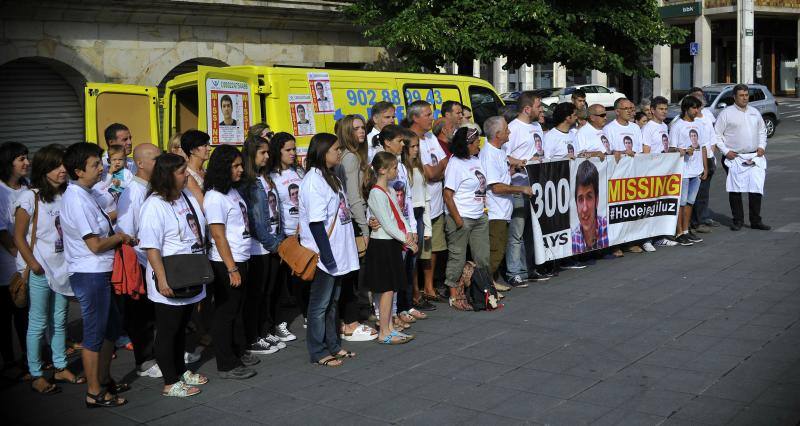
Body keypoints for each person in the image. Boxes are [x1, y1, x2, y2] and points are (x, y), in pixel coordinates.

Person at [61, 142, 134, 408]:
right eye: (95, 165)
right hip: (90, 273)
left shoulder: (88, 193)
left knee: (111, 328)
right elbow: (94, 244)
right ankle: (94, 391)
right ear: (79, 171)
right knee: (94, 333)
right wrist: (119, 237)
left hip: (103, 271)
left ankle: (104, 379)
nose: (101, 167)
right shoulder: (76, 198)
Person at [138, 153, 209, 398]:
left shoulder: (185, 196)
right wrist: (162, 279)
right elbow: (151, 246)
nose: (186, 175)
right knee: (168, 330)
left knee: (181, 328)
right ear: (167, 175)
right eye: (181, 172)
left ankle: (180, 370)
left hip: (190, 271)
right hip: (170, 275)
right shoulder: (154, 205)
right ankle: (170, 381)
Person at [13, 144, 83, 394]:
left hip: (64, 270)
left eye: (64, 165)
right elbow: (19, 236)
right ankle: (36, 373)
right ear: (44, 169)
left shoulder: (69, 194)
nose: (62, 170)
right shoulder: (29, 197)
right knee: (38, 323)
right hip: (40, 270)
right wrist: (33, 264)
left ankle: (61, 366)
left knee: (60, 321)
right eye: (56, 166)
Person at [299, 133, 360, 367]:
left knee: (333, 303)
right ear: (323, 152)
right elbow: (316, 223)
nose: (338, 153)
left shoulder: (330, 176)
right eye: (335, 149)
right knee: (319, 305)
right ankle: (318, 350)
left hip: (338, 251)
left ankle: (333, 345)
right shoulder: (313, 181)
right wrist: (327, 256)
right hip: (325, 254)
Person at [203, 145, 258, 379]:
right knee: (225, 313)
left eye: (239, 165)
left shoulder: (231, 191)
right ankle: (226, 363)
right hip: (227, 262)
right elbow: (218, 235)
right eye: (235, 166)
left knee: (236, 310)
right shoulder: (215, 197)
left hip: (242, 257)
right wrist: (231, 268)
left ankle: (237, 350)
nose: (239, 170)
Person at [115, 143, 161, 378]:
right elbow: (126, 232)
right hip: (142, 262)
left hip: (156, 261)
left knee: (158, 313)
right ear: (140, 163)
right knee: (141, 316)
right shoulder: (132, 193)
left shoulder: (153, 187)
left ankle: (161, 354)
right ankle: (144, 360)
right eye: (155, 159)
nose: (159, 162)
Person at [240, 135, 288, 356]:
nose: (267, 156)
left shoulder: (266, 178)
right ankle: (253, 335)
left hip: (274, 242)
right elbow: (256, 221)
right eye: (262, 153)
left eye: (268, 153)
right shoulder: (248, 184)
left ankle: (265, 328)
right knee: (256, 293)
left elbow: (274, 210)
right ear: (251, 154)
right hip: (259, 247)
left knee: (269, 291)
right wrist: (274, 244)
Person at [363, 151, 417, 344]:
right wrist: (407, 240)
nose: (396, 171)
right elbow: (387, 223)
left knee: (392, 289)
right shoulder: (376, 193)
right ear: (382, 170)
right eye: (394, 168)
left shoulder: (391, 190)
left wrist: (409, 232)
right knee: (385, 290)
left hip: (392, 243)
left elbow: (400, 216)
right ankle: (384, 331)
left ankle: (390, 327)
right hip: (382, 244)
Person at [374, 125, 424, 326]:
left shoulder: (401, 166)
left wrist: (411, 227)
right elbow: (375, 199)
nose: (403, 144)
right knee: (388, 277)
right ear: (387, 142)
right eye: (400, 141)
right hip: (388, 230)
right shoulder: (379, 166)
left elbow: (408, 200)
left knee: (402, 271)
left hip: (402, 226)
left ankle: (397, 311)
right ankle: (385, 317)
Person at [479, 116, 533, 292]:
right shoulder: (489, 154)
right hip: (495, 212)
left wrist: (511, 169)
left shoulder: (500, 151)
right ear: (498, 134)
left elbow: (500, 177)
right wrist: (521, 189)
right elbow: (496, 188)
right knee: (495, 253)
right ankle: (484, 288)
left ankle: (491, 282)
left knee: (498, 250)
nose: (509, 132)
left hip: (503, 210)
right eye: (507, 129)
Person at [335, 114, 376, 342]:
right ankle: (351, 317)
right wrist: (363, 227)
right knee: (355, 271)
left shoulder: (349, 155)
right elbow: (354, 197)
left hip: (350, 219)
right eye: (356, 129)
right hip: (353, 221)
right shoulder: (350, 158)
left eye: (362, 128)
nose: (362, 132)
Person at [503, 91, 550, 286]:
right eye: (539, 106)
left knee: (533, 230)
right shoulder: (513, 129)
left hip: (537, 186)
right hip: (519, 187)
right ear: (527, 108)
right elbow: (503, 156)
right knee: (517, 232)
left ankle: (531, 267)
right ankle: (515, 271)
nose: (542, 110)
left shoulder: (537, 126)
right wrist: (522, 162)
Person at [442, 127, 489, 310]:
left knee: (483, 257)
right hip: (461, 217)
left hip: (479, 216)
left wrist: (484, 210)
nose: (479, 143)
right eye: (476, 141)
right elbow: (447, 195)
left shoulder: (475, 160)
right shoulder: (455, 164)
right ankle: (454, 295)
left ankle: (484, 288)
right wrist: (458, 220)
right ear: (467, 144)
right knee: (457, 257)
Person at [714, 84, 769, 231]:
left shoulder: (755, 112)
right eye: (741, 95)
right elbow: (717, 135)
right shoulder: (726, 113)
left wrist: (762, 146)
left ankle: (756, 221)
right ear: (734, 97)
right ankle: (737, 220)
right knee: (735, 190)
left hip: (754, 156)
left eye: (746, 95)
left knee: (756, 189)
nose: (745, 98)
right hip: (734, 157)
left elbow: (762, 131)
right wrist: (726, 151)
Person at [268, 133, 309, 325]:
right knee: (288, 278)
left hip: (305, 230)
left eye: (294, 149)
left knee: (305, 274)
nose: (293, 153)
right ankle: (283, 319)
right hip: (286, 233)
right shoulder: (272, 176)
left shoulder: (299, 172)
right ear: (278, 151)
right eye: (288, 150)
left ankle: (308, 313)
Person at [413, 100, 450, 301]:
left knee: (434, 247)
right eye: (427, 114)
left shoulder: (430, 137)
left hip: (436, 203)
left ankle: (429, 287)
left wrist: (437, 171)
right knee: (419, 250)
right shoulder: (413, 140)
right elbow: (428, 173)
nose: (431, 118)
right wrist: (438, 170)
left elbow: (446, 162)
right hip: (421, 204)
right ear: (415, 117)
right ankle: (415, 291)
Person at [0, 141, 30, 375]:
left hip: (26, 262)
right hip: (7, 264)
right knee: (5, 313)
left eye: (26, 157)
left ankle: (29, 357)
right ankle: (9, 359)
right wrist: (19, 256)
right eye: (21, 159)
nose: (26, 162)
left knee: (24, 312)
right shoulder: (1, 191)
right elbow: (2, 232)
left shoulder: (28, 187)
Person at [604, 98, 644, 255]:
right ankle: (615, 244)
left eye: (631, 108)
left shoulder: (635, 127)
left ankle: (629, 241)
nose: (630, 111)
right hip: (617, 176)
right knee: (617, 211)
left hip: (634, 174)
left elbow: (639, 150)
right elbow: (610, 152)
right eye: (625, 108)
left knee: (631, 209)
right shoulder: (609, 129)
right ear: (617, 111)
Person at [400, 129, 434, 311]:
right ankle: (412, 296)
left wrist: (427, 228)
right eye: (412, 146)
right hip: (408, 215)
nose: (415, 150)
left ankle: (415, 294)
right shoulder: (402, 169)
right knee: (410, 258)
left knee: (416, 257)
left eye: (417, 146)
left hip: (419, 215)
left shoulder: (419, 167)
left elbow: (426, 198)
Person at [641, 96, 679, 249]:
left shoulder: (664, 126)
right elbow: (646, 152)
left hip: (664, 172)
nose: (664, 112)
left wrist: (676, 150)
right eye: (661, 109)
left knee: (660, 206)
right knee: (649, 207)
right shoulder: (648, 128)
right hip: (651, 172)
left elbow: (664, 147)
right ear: (652, 110)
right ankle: (646, 239)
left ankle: (659, 236)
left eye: (665, 109)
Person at [669, 95, 708, 246]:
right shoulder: (677, 125)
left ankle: (686, 230)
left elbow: (703, 147)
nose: (697, 110)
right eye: (694, 107)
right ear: (686, 108)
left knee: (690, 202)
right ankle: (679, 232)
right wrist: (684, 150)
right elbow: (671, 149)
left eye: (698, 107)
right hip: (683, 171)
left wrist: (704, 167)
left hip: (696, 170)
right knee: (681, 203)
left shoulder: (699, 125)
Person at [689, 87, 720, 233]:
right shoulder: (689, 118)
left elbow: (712, 135)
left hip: (709, 157)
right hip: (697, 160)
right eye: (696, 97)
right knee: (696, 192)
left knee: (705, 192)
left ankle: (703, 216)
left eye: (701, 96)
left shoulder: (707, 115)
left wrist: (712, 153)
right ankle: (696, 221)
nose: (700, 99)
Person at [571, 160, 609, 254]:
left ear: (597, 200)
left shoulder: (608, 229)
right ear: (576, 204)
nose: (585, 208)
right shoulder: (573, 239)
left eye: (589, 197)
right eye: (580, 199)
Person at [181, 130, 211, 206]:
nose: (209, 148)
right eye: (205, 145)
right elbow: (202, 203)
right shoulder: (186, 174)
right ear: (191, 150)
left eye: (208, 144)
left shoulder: (206, 170)